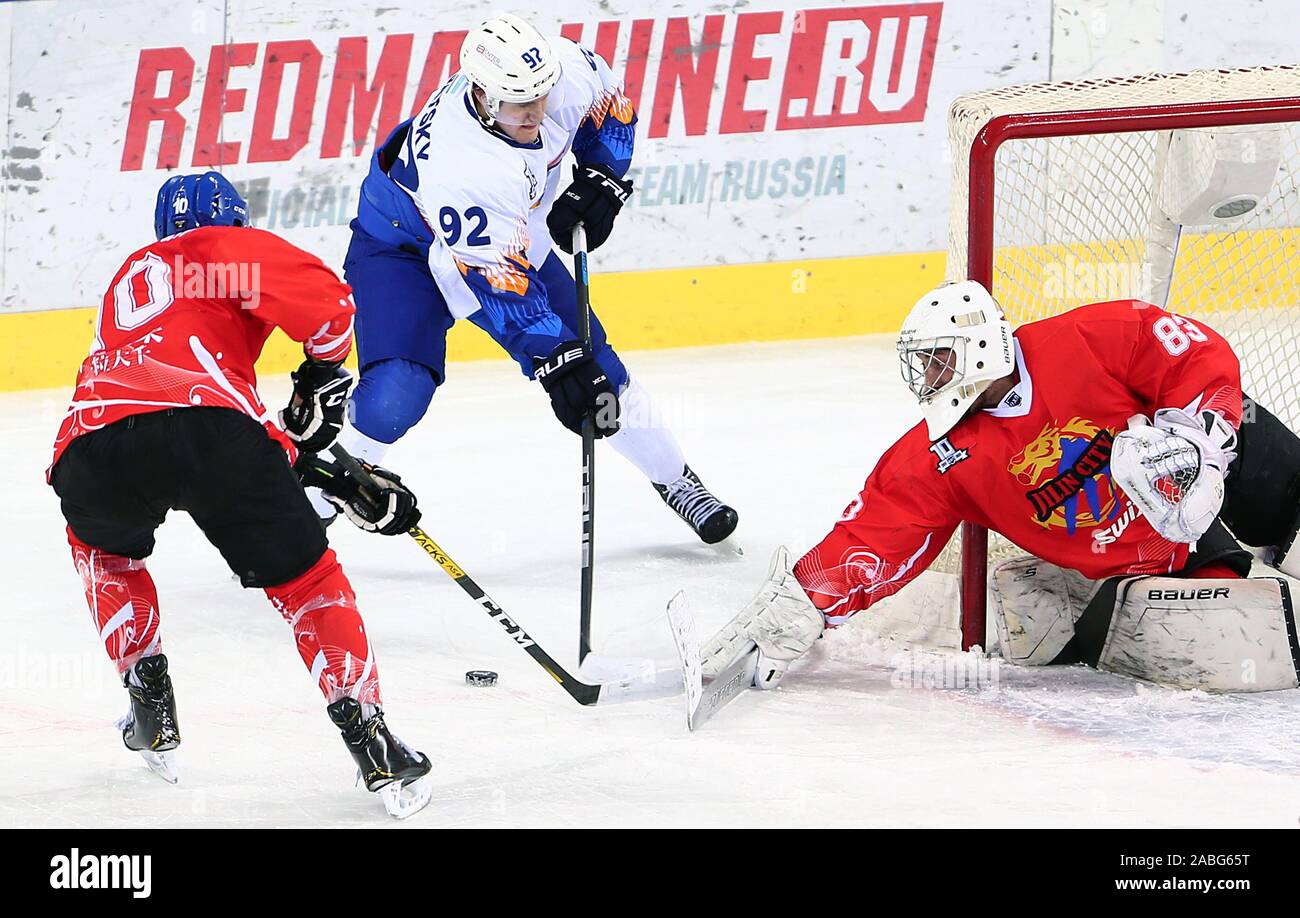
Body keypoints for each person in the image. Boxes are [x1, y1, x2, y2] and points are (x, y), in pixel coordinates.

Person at [47, 171, 433, 817]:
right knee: (308, 584)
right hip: (212, 434)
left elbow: (167, 398)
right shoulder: (219, 247)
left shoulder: (131, 275)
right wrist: (319, 377)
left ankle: (149, 703)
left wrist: (293, 455)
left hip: (92, 445)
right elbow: (331, 306)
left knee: (106, 554)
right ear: (232, 221)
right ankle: (373, 744)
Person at [701, 281, 1300, 693]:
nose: (929, 377)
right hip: (1143, 564)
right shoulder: (943, 452)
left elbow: (1192, 356)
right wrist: (806, 601)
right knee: (1237, 649)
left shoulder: (1093, 337)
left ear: (979, 345)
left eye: (938, 359)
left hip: (1216, 473)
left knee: (1270, 473)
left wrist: (1199, 441)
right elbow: (879, 529)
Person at [323, 12, 738, 544]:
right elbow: (501, 285)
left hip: (506, 236)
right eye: (521, 103)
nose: (537, 112)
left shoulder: (562, 71)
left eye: (541, 96)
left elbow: (613, 110)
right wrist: (556, 361)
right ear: (482, 93)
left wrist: (603, 177)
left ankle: (677, 480)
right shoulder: (466, 163)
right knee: (396, 393)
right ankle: (312, 496)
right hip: (402, 248)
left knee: (603, 373)